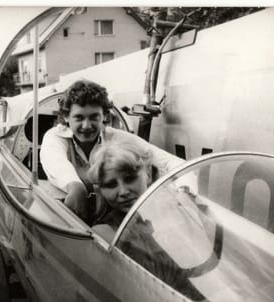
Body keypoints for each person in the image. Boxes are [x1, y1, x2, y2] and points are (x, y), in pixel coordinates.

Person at [40, 79, 184, 224]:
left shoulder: (116, 136)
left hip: (114, 216)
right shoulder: (55, 137)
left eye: (94, 117)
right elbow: (55, 162)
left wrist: (183, 192)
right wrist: (75, 186)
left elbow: (171, 162)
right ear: (66, 117)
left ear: (105, 116)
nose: (86, 125)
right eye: (79, 117)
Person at [87, 140, 153, 239]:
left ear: (149, 174)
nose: (123, 192)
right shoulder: (104, 233)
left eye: (130, 179)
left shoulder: (175, 208)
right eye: (111, 185)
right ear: (101, 190)